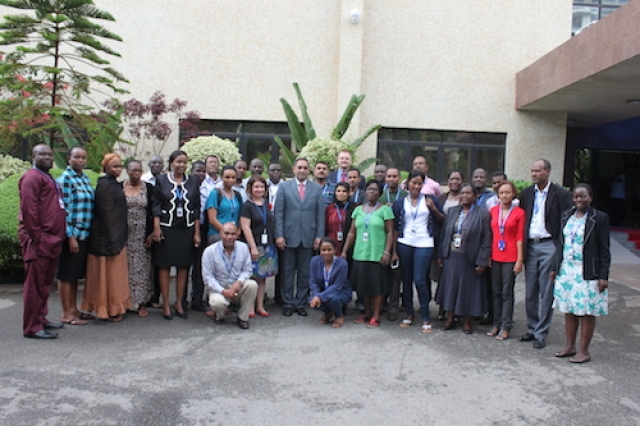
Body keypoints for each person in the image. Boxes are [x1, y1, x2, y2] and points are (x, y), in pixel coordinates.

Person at [552, 183, 610, 364]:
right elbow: (560, 244)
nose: (578, 200)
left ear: (590, 198)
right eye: (576, 197)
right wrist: (555, 267)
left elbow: (604, 249)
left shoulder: (599, 218)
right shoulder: (566, 215)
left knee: (586, 311)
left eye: (583, 196)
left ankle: (584, 351)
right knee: (569, 309)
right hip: (567, 269)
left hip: (587, 271)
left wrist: (603, 276)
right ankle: (570, 346)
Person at [519, 159, 572, 349]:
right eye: (532, 170)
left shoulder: (561, 194)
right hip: (530, 245)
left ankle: (542, 332)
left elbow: (566, 221)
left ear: (548, 172)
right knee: (530, 290)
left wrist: (561, 249)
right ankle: (532, 328)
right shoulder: (526, 194)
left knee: (546, 291)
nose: (534, 174)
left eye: (538, 171)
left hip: (549, 245)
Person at [19, 144, 67, 339]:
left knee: (45, 283)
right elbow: (29, 210)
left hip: (52, 239)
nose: (47, 157)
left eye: (49, 154)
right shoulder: (31, 178)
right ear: (33, 156)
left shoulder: (47, 176)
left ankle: (41, 318)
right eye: (42, 154)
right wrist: (39, 238)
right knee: (35, 285)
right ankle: (32, 327)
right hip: (39, 241)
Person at [391, 170, 444, 334]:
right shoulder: (400, 202)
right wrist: (393, 251)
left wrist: (433, 208)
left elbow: (442, 219)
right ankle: (408, 314)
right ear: (407, 184)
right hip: (404, 243)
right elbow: (394, 228)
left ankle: (426, 317)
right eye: (413, 183)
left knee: (420, 280)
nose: (416, 186)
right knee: (406, 280)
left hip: (424, 243)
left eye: (419, 183)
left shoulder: (430, 200)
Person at [151, 150, 201, 320]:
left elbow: (196, 208)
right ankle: (165, 302)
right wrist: (156, 228)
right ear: (171, 163)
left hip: (185, 230)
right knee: (164, 266)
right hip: (166, 228)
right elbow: (155, 205)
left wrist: (196, 233)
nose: (182, 165)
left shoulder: (193, 181)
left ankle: (179, 302)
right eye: (178, 162)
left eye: (184, 162)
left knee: (183, 267)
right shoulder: (161, 180)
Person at [82, 153, 130, 322]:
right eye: (114, 166)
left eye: (120, 166)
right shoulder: (104, 185)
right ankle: (105, 309)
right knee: (106, 276)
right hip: (105, 239)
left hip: (116, 235)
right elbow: (107, 214)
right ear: (106, 168)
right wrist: (113, 240)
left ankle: (115, 307)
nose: (118, 169)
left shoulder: (113, 184)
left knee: (115, 275)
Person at [437, 184, 491, 334]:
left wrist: (482, 260)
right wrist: (441, 254)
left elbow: (486, 239)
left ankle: (467, 321)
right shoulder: (453, 211)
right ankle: (450, 318)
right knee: (451, 288)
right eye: (463, 193)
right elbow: (444, 234)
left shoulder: (482, 213)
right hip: (452, 256)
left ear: (475, 196)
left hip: (470, 257)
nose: (465, 196)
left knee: (469, 290)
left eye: (468, 193)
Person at [274, 157, 325, 317]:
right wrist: (279, 235)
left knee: (305, 272)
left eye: (305, 168)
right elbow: (278, 212)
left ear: (308, 170)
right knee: (287, 272)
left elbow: (320, 215)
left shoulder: (316, 189)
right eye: (299, 167)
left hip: (308, 236)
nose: (302, 170)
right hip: (288, 236)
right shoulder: (284, 187)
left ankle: (301, 302)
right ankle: (288, 302)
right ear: (294, 169)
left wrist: (319, 236)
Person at [342, 179, 394, 328]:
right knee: (363, 286)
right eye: (369, 189)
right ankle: (367, 313)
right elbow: (352, 232)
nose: (372, 192)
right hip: (360, 253)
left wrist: (387, 252)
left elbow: (390, 233)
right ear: (365, 191)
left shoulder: (385, 210)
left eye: (375, 190)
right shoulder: (358, 210)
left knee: (377, 287)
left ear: (379, 193)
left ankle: (376, 316)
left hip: (377, 254)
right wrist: (345, 251)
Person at [56, 146, 94, 326]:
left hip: (84, 234)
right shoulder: (65, 180)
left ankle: (74, 309)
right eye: (76, 157)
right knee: (66, 274)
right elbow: (63, 211)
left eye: (83, 158)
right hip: (72, 235)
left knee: (74, 275)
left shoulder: (84, 178)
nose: (80, 160)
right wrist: (70, 237)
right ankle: (66, 313)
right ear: (68, 158)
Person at [487, 181, 525, 340]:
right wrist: (488, 255)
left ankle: (506, 325)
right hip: (495, 255)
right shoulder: (493, 211)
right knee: (495, 291)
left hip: (510, 256)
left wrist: (519, 260)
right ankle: (496, 323)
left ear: (513, 194)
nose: (504, 195)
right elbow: (490, 234)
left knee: (506, 292)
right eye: (502, 193)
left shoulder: (519, 213)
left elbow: (519, 237)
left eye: (508, 192)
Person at [202, 223, 258, 329]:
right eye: (226, 233)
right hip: (219, 288)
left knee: (252, 285)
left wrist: (239, 282)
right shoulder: (209, 251)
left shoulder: (243, 247)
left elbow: (248, 270)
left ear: (237, 235)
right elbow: (207, 277)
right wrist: (223, 291)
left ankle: (242, 318)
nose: (229, 237)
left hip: (236, 287)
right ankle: (219, 315)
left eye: (233, 234)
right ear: (220, 234)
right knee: (217, 302)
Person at [240, 176, 278, 317]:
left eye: (261, 187)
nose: (259, 189)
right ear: (250, 188)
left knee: (262, 278)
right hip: (253, 246)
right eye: (256, 187)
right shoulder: (247, 205)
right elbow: (246, 227)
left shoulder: (266, 202)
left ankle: (260, 306)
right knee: (251, 278)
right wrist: (253, 247)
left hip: (267, 245)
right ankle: (249, 307)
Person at [123, 160, 154, 317]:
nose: (136, 173)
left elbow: (153, 211)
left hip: (142, 233)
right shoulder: (120, 187)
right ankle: (127, 302)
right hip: (125, 234)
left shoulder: (148, 188)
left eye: (139, 170)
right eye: (133, 170)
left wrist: (151, 232)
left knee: (142, 269)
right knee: (126, 269)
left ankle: (142, 303)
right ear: (127, 170)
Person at [433, 170, 464, 320]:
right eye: (452, 179)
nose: (454, 182)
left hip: (460, 243)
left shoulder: (465, 198)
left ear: (462, 182)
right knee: (443, 277)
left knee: (457, 278)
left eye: (457, 179)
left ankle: (456, 310)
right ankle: (442, 308)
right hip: (442, 240)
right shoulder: (441, 198)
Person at [193, 154, 221, 312]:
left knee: (216, 264)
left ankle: (214, 298)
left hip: (217, 228)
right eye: (210, 162)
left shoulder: (222, 183)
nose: (212, 165)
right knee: (199, 264)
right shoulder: (198, 183)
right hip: (201, 227)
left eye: (215, 162)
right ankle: (196, 298)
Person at [379, 167, 407, 321]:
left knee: (396, 277)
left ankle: (393, 307)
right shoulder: (379, 195)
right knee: (382, 274)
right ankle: (381, 303)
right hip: (381, 239)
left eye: (394, 176)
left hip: (399, 238)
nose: (391, 179)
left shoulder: (404, 196)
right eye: (388, 176)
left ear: (399, 178)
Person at [309, 238, 352, 328]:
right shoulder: (314, 261)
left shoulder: (342, 264)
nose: (326, 253)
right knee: (310, 300)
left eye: (329, 250)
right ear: (320, 250)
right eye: (323, 250)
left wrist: (320, 297)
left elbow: (337, 285)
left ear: (335, 250)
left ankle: (339, 315)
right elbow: (313, 282)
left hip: (341, 292)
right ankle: (328, 313)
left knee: (333, 299)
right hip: (323, 291)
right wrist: (316, 295)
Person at [206, 165, 243, 244]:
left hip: (234, 236)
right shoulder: (215, 193)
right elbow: (212, 219)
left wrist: (237, 231)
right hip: (217, 234)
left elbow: (241, 216)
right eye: (227, 177)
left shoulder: (237, 195)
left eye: (233, 177)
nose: (230, 180)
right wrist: (226, 233)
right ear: (221, 177)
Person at [267, 163, 284, 306]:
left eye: (278, 170)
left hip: (281, 228)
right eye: (272, 170)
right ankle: (262, 295)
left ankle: (280, 295)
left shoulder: (286, 187)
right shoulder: (262, 186)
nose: (275, 173)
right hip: (264, 228)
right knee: (263, 261)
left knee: (282, 263)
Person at [325, 182, 355, 256]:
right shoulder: (330, 208)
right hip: (331, 243)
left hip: (348, 244)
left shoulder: (355, 208)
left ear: (348, 193)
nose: (341, 193)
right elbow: (325, 227)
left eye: (344, 191)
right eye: (338, 191)